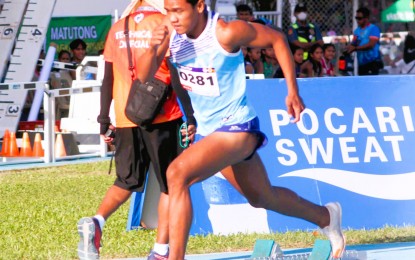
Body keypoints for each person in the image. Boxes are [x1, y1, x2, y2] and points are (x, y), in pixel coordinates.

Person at [140, 0, 346, 259]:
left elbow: (278, 40)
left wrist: (292, 91)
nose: (172, 18)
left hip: (238, 127)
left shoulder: (226, 32)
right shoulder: (170, 34)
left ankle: (169, 255)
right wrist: (151, 48)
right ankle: (326, 216)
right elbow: (144, 77)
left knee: (176, 174)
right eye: (168, 11)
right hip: (211, 134)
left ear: (200, 6)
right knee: (262, 198)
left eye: (179, 10)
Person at [76, 1, 196, 260]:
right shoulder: (163, 25)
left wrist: (103, 118)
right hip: (163, 115)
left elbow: (107, 78)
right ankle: (161, 250)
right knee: (170, 184)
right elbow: (173, 71)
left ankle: (96, 221)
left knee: (127, 180)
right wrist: (191, 114)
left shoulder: (118, 28)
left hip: (125, 115)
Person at [345, 7, 381, 76]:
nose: (357, 20)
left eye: (360, 18)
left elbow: (371, 45)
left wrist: (355, 49)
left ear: (366, 18)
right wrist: (348, 49)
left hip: (372, 63)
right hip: (361, 64)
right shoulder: (356, 31)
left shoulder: (373, 29)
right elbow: (354, 44)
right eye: (356, 18)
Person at [49, 50, 73, 119]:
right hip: (59, 104)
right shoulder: (53, 73)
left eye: (67, 59)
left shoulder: (72, 72)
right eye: (63, 59)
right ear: (59, 59)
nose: (65, 61)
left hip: (71, 102)